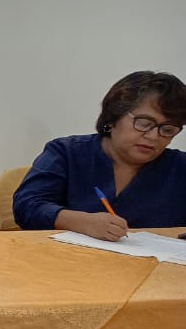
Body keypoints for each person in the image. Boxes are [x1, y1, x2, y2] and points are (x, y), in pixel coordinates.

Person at [14, 70, 186, 237]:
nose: (154, 136)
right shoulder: (67, 153)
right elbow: (26, 206)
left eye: (168, 130)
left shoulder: (180, 167)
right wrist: (82, 222)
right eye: (144, 123)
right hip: (66, 255)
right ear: (113, 118)